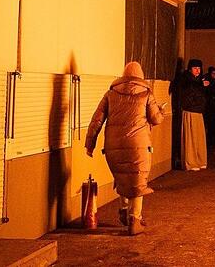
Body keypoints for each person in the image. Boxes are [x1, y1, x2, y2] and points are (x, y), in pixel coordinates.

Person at [85, 61, 164, 236]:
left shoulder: (110, 94)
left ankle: (123, 209)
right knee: (137, 180)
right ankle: (134, 219)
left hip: (113, 145)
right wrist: (161, 111)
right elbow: (156, 119)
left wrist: (89, 144)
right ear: (140, 76)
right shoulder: (146, 94)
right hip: (138, 145)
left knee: (122, 176)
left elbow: (96, 121)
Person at [174, 58, 208, 170]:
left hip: (198, 111)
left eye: (199, 68)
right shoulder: (186, 80)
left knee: (199, 138)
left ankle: (199, 160)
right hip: (190, 111)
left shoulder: (198, 80)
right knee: (191, 138)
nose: (198, 71)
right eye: (195, 68)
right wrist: (201, 85)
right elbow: (189, 91)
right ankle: (191, 162)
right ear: (189, 69)